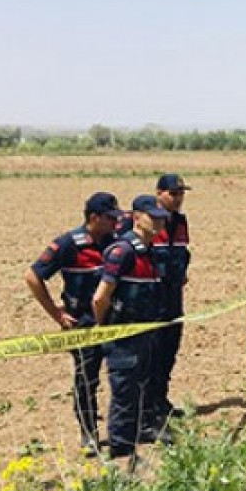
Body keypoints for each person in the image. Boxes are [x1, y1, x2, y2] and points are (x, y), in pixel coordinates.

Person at [24, 192, 122, 455]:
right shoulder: (69, 244)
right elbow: (33, 276)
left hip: (114, 321)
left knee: (121, 377)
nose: (115, 222)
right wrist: (56, 313)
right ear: (94, 218)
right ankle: (88, 433)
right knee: (86, 380)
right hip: (83, 324)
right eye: (110, 218)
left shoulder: (116, 242)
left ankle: (122, 430)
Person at [92, 195, 168, 458]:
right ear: (136, 217)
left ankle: (137, 433)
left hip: (145, 334)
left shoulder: (151, 252)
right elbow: (101, 297)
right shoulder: (122, 251)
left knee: (141, 387)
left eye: (161, 218)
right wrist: (106, 328)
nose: (158, 222)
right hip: (124, 336)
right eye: (152, 217)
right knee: (124, 393)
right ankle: (121, 449)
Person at [148, 173, 192, 426]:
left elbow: (182, 253)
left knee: (169, 348)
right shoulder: (147, 221)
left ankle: (161, 399)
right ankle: (148, 405)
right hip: (152, 297)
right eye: (173, 194)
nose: (178, 199)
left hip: (174, 296)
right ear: (159, 193)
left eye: (181, 194)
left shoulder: (181, 221)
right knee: (152, 351)